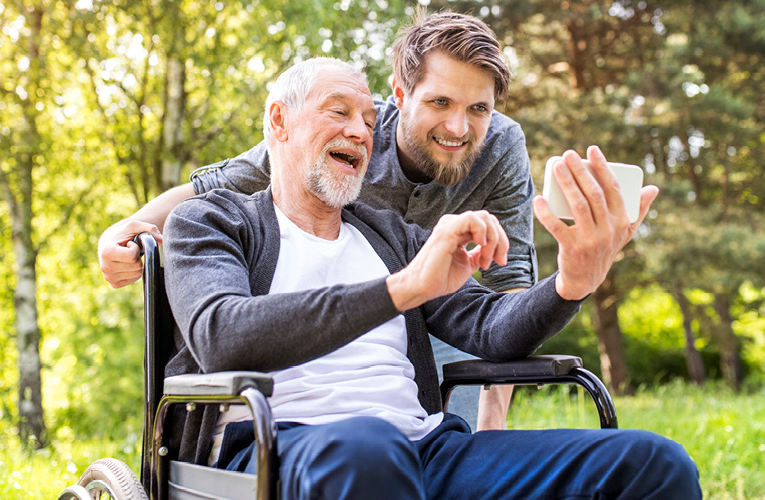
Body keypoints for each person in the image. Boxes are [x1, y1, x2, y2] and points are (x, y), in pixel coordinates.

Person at [162, 57, 700, 499]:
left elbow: (490, 328)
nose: (360, 131)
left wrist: (570, 284)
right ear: (279, 121)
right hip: (279, 450)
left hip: (426, 450)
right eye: (339, 112)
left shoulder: (392, 237)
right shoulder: (213, 222)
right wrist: (402, 289)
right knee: (370, 449)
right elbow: (222, 336)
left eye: (371, 121)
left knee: (653, 463)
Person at [100, 12, 535, 430]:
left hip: (437, 310)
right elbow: (216, 183)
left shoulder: (501, 147)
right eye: (440, 101)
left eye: (479, 109)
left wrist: (492, 426)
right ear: (401, 96)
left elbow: (508, 281)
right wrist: (128, 227)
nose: (459, 126)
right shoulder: (348, 132)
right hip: (327, 309)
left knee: (450, 433)